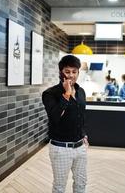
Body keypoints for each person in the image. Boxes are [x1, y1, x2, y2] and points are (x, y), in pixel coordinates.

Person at [42, 55, 89, 193]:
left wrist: (84, 134)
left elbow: (81, 116)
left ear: (78, 73)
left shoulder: (81, 92)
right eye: (67, 71)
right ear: (61, 72)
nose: (71, 75)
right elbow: (55, 116)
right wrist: (67, 94)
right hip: (61, 148)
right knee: (60, 186)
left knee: (81, 183)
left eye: (74, 72)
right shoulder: (50, 94)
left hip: (80, 147)